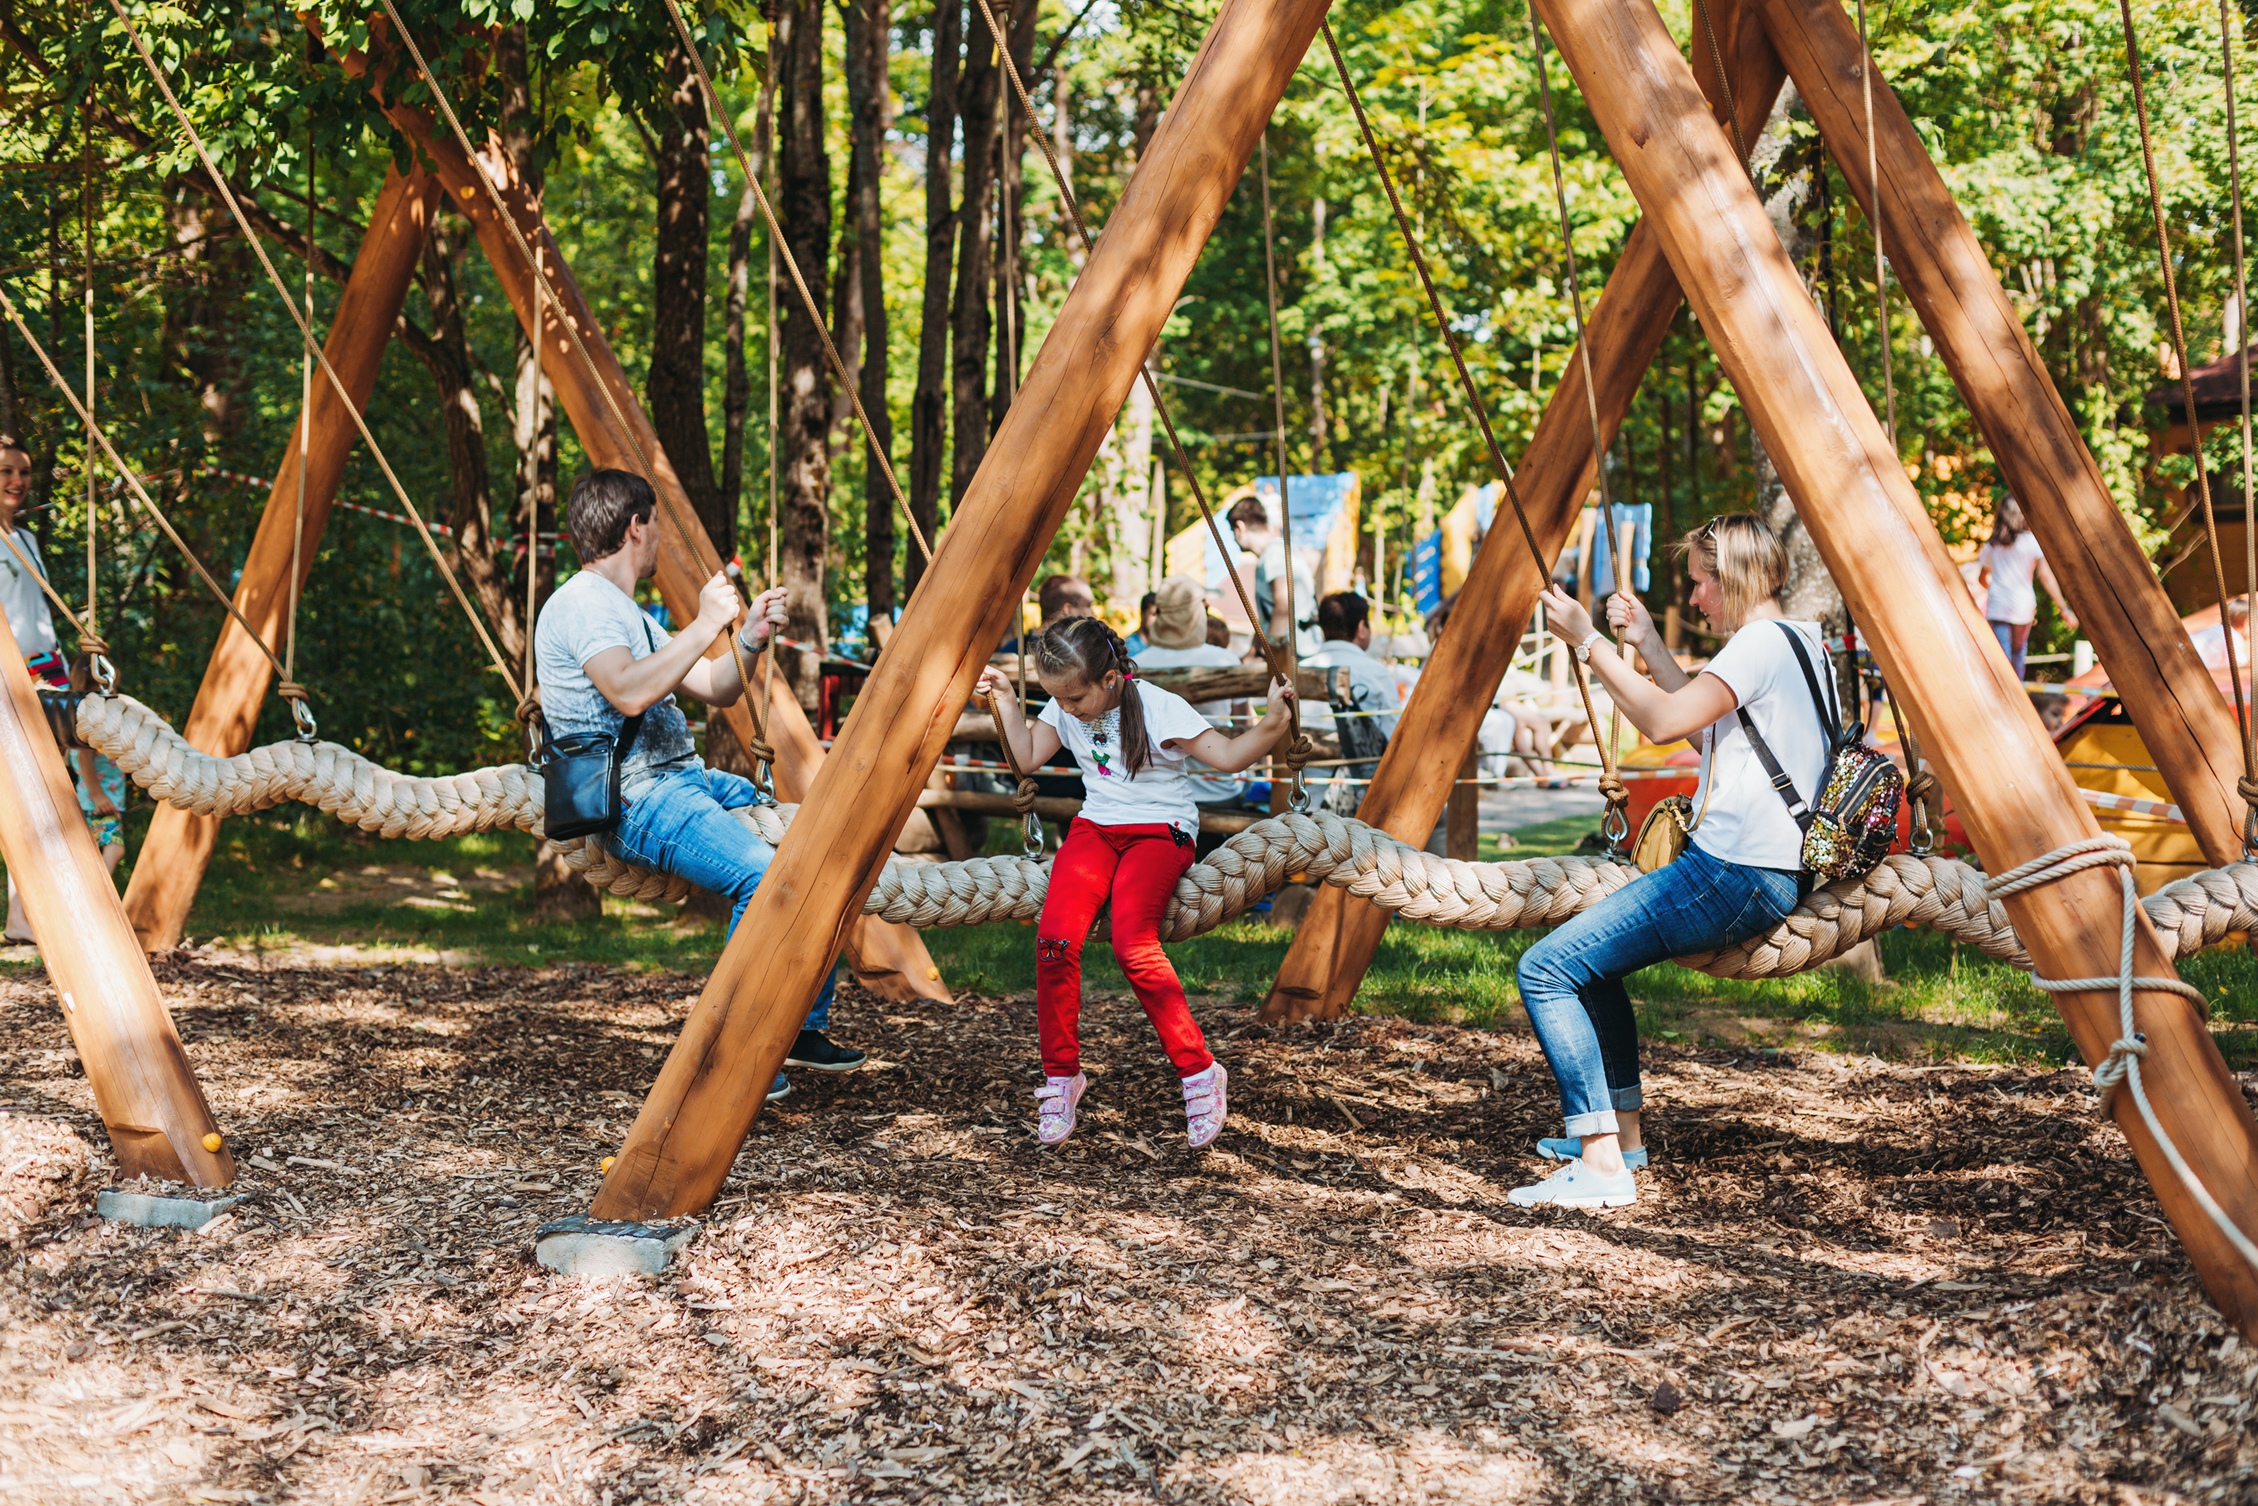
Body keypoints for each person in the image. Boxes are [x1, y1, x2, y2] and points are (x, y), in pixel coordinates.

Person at [1511, 514, 1835, 1208]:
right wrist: (1650, 644)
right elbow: (1705, 727)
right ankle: (1621, 1138)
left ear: (1736, 578)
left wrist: (1588, 643)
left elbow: (1660, 725)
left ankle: (1599, 1168)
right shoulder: (1802, 643)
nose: (1694, 601)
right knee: (1591, 971)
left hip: (1732, 874)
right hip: (1766, 869)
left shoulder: (1755, 647)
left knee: (1544, 970)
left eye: (1700, 584)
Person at [535, 469, 865, 1102]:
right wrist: (705, 620)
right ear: (637, 526)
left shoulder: (623, 608)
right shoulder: (581, 605)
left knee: (823, 840)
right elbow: (628, 691)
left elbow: (716, 686)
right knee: (762, 877)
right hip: (637, 796)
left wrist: (746, 638)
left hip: (685, 781)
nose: (659, 534)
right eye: (655, 522)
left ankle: (798, 1025)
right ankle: (738, 1050)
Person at [976, 616, 1300, 1149]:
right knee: (1054, 942)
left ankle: (1199, 1073)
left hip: (1160, 830)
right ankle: (1062, 1077)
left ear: (1109, 680)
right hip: (1096, 828)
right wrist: (1008, 700)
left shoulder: (1157, 706)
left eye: (1076, 698)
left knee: (1133, 943)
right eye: (1060, 699)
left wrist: (1271, 723)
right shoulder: (1067, 700)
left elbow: (1227, 756)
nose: (1069, 709)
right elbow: (1028, 756)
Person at [0, 438, 125, 945]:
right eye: (5, 471)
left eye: (24, 472)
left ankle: (24, 915)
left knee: (48, 796)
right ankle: (22, 915)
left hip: (46, 672)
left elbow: (36, 615)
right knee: (26, 795)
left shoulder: (25, 539)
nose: (17, 481)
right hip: (11, 676)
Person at [1132, 575, 1249, 819]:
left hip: (1156, 795)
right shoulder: (1225, 661)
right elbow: (1242, 725)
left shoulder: (1139, 664)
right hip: (1218, 790)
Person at [1299, 592, 1403, 810]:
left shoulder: (1299, 671)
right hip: (1359, 802)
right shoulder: (1377, 673)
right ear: (1361, 628)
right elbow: (1394, 739)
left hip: (1301, 796)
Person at [1976, 497, 2074, 681]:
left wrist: (1995, 592)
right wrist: (2063, 608)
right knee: (2018, 654)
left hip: (1998, 606)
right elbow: (2045, 576)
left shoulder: (1993, 544)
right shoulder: (2032, 542)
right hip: (2022, 606)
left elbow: (1982, 578)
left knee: (2001, 659)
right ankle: (2018, 694)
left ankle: (2002, 698)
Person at [1227, 495, 1316, 655]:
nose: (1233, 538)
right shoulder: (1277, 551)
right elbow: (1268, 617)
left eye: (1232, 531)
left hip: (1296, 653)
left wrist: (1270, 656)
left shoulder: (1273, 554)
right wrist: (1252, 652)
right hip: (1298, 646)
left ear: (1240, 528)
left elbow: (1283, 607)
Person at [1124, 590, 1160, 657]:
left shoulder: (1162, 645)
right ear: (1142, 614)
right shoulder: (1129, 647)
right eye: (1154, 614)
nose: (1158, 619)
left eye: (1160, 615)